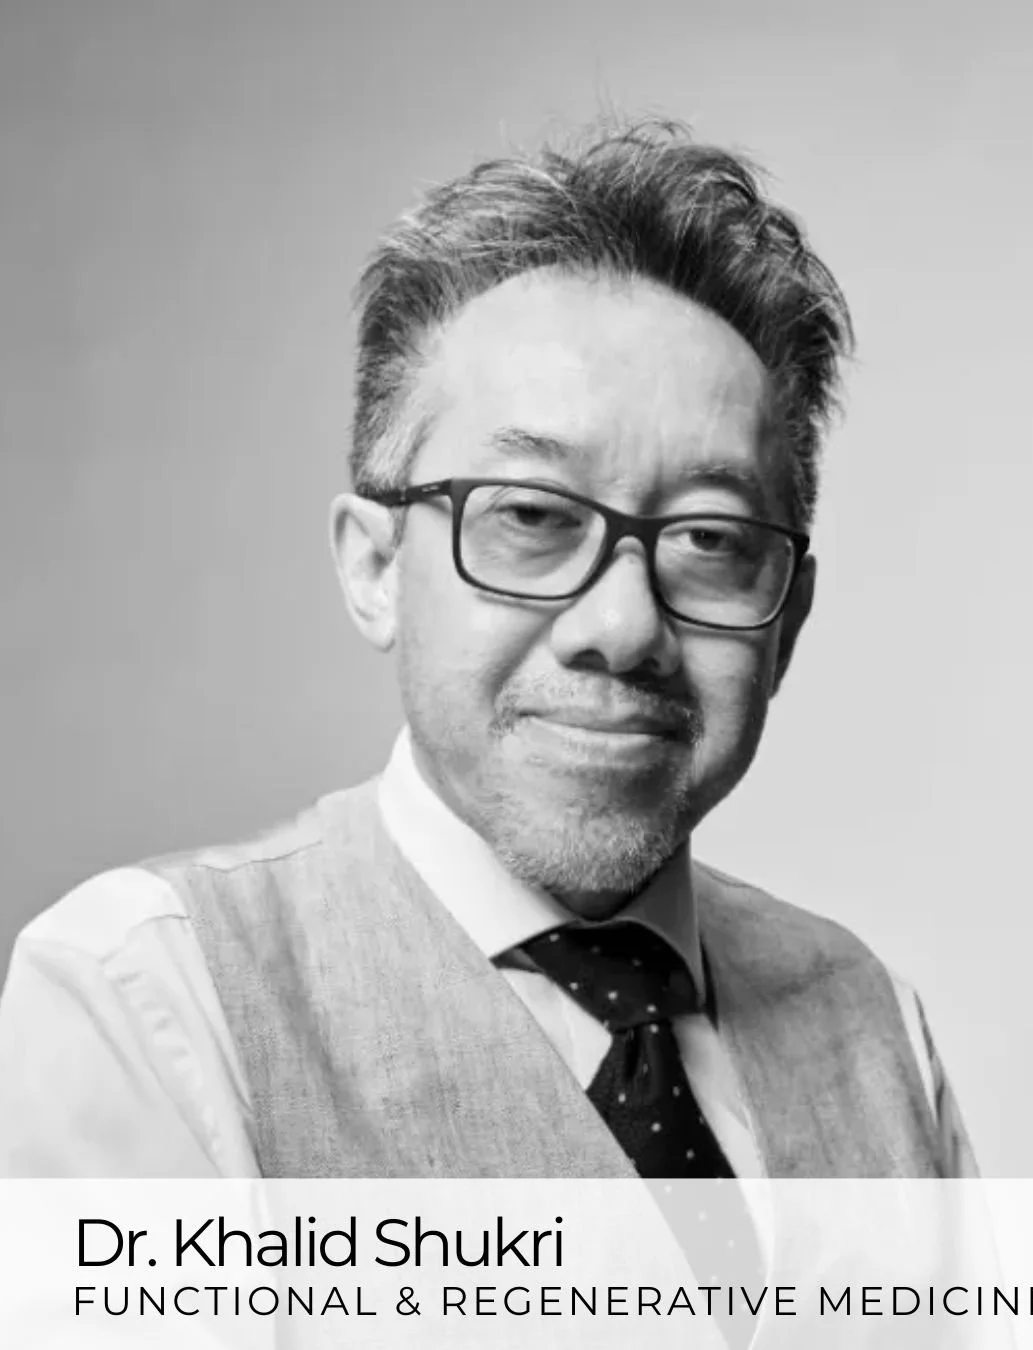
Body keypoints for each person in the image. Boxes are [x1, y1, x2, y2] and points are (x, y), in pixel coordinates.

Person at [0, 119, 975, 1180]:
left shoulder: (876, 1029)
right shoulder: (149, 998)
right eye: (531, 516)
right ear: (375, 568)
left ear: (786, 625)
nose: (623, 626)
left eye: (709, 538)